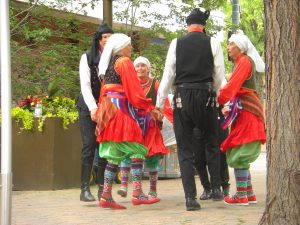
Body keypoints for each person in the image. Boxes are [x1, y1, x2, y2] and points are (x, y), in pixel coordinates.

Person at [156, 8, 226, 211]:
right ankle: (216, 188)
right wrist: (215, 93)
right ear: (203, 26)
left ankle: (190, 199)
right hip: (206, 96)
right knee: (212, 142)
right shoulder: (212, 42)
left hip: (183, 97)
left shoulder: (176, 43)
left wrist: (159, 104)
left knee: (185, 148)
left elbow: (168, 74)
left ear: (188, 26)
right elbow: (219, 74)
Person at [94, 34, 162, 209]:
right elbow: (134, 91)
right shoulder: (123, 62)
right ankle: (137, 193)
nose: (131, 49)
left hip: (108, 111)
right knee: (138, 148)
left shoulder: (109, 63)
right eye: (129, 46)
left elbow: (105, 91)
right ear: (122, 47)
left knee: (113, 154)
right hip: (121, 112)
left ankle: (106, 195)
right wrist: (149, 107)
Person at [218, 32, 266, 206]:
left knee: (240, 151)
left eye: (231, 44)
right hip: (246, 111)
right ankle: (249, 193)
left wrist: (219, 99)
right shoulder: (243, 62)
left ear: (240, 47)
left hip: (247, 112)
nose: (228, 47)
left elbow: (232, 86)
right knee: (242, 151)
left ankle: (240, 195)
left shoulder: (244, 61)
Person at [117, 56, 173, 201]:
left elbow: (163, 102)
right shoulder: (129, 83)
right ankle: (124, 185)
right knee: (128, 153)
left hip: (150, 126)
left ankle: (152, 191)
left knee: (152, 157)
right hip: (133, 125)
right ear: (133, 69)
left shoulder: (156, 84)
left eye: (143, 65)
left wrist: (160, 114)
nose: (140, 68)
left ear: (148, 68)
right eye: (137, 66)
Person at [77, 23, 114, 202]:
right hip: (88, 107)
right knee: (89, 146)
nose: (107, 40)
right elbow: (85, 85)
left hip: (107, 108)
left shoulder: (115, 59)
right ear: (98, 39)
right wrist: (93, 108)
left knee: (105, 148)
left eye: (110, 36)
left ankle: (103, 189)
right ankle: (84, 189)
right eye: (104, 36)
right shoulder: (87, 57)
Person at [194, 105, 230, 200]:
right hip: (198, 121)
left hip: (217, 119)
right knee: (199, 157)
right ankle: (207, 188)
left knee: (220, 154)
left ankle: (223, 186)